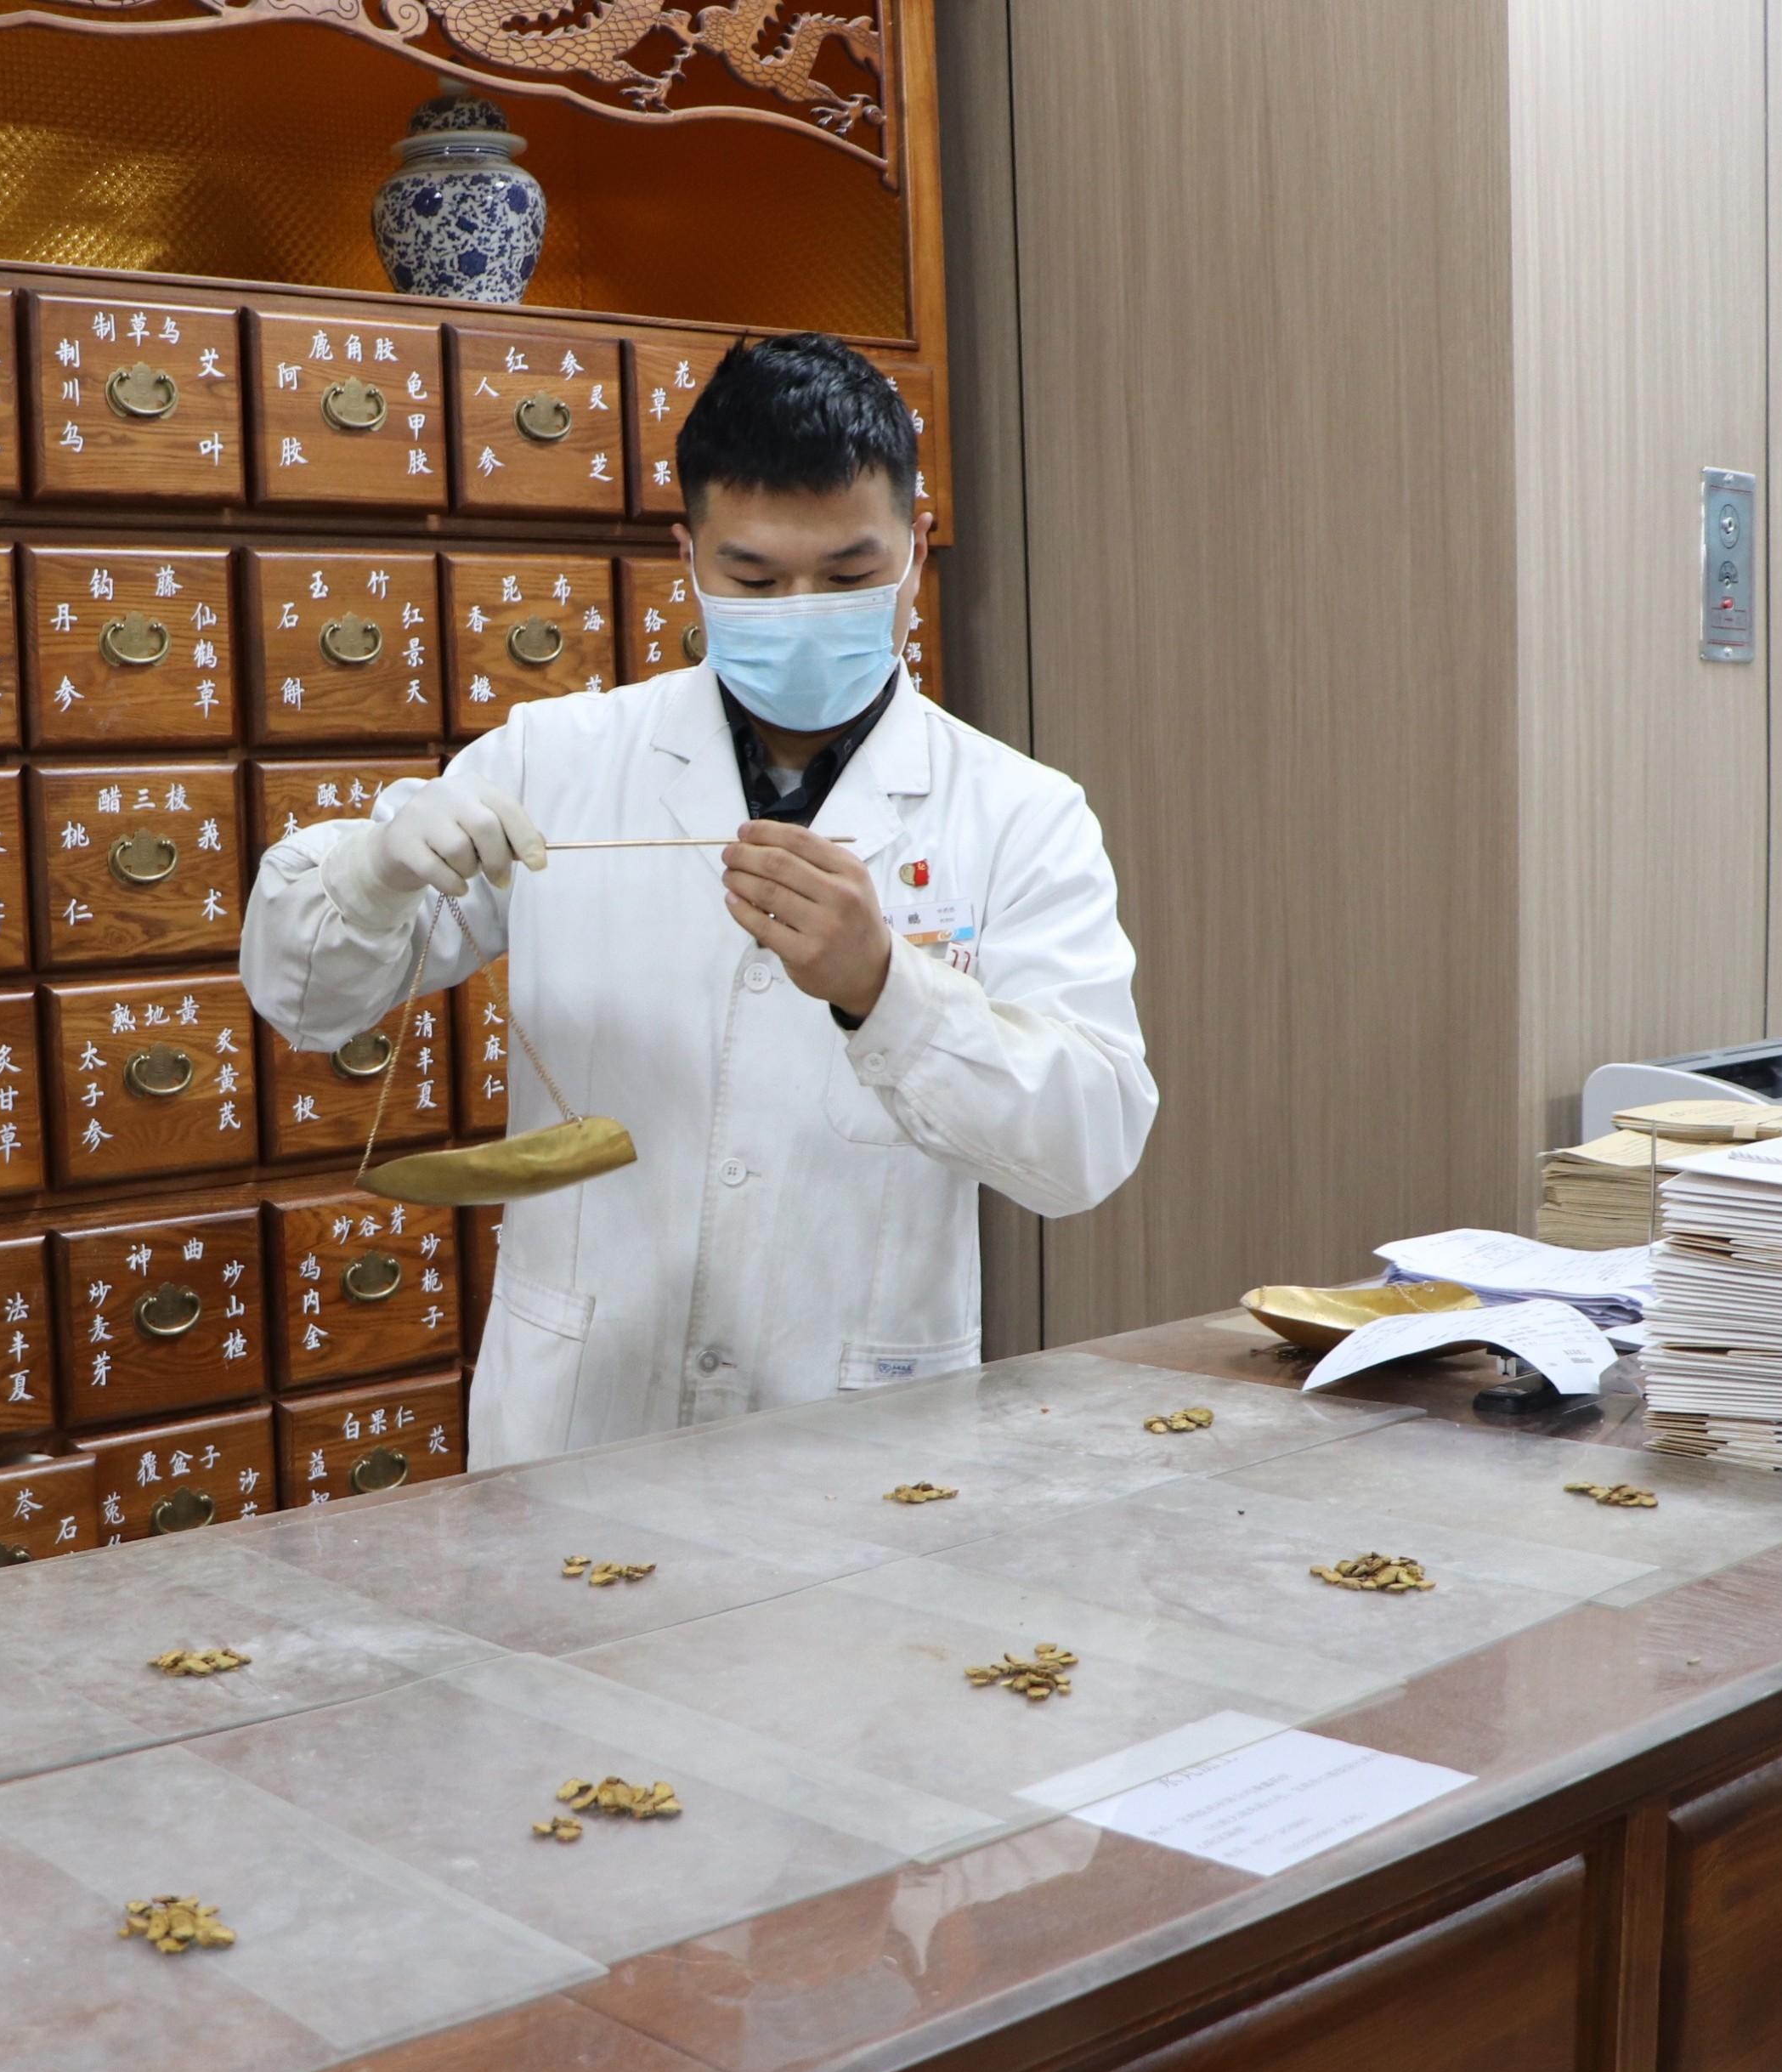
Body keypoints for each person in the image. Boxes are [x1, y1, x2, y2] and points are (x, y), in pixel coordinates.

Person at [241, 333, 1155, 1469]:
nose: (803, 610)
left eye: (850, 576)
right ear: (687, 557)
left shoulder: (1019, 812)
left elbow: (1085, 1147)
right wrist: (370, 873)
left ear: (917, 547)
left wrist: (886, 990)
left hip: (856, 1445)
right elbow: (306, 1001)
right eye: (755, 581)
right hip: (581, 1427)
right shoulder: (553, 758)